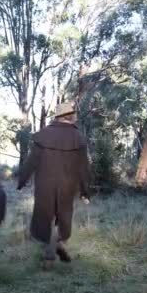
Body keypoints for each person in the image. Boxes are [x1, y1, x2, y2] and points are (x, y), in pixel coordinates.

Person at [17, 102, 91, 269]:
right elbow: (84, 169)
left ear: (58, 116)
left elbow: (30, 162)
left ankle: (50, 251)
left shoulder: (43, 135)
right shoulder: (78, 138)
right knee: (62, 217)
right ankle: (56, 246)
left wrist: (22, 182)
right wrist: (85, 191)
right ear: (71, 116)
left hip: (45, 185)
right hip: (68, 186)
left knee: (45, 216)